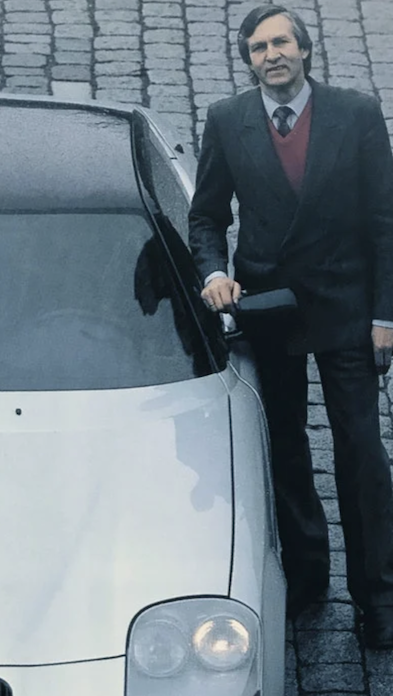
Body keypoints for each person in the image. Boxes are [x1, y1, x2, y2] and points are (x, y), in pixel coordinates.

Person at [188, 3, 393, 648]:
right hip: (270, 308)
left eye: (281, 43)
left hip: (346, 306)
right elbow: (207, 215)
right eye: (259, 48)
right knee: (283, 447)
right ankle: (306, 579)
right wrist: (213, 273)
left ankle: (379, 598)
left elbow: (385, 220)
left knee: (362, 453)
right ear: (249, 61)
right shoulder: (228, 120)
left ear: (304, 50)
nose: (272, 55)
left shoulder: (356, 115)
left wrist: (385, 315)